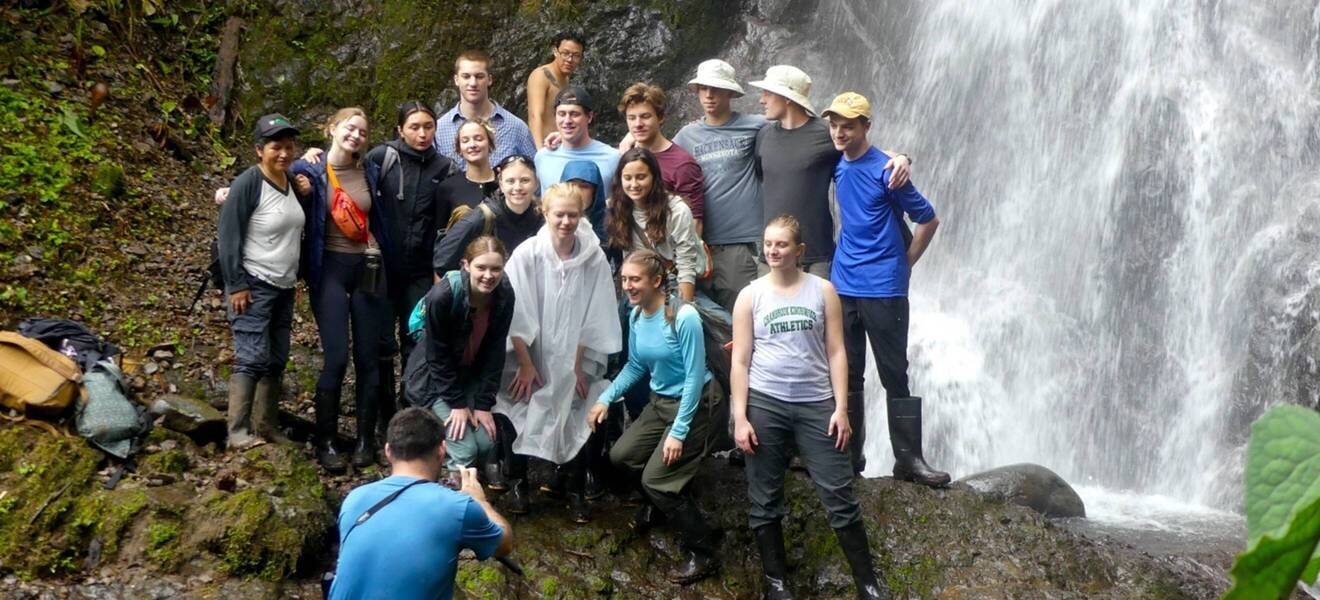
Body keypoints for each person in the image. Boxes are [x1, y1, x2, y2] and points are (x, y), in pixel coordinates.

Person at [731, 215, 887, 599]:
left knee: (839, 493)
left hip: (817, 403)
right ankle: (776, 584)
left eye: (781, 245)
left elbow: (837, 352)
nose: (773, 251)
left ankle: (867, 583)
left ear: (799, 250)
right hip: (766, 402)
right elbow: (740, 360)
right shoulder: (750, 295)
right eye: (768, 244)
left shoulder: (823, 290)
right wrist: (740, 416)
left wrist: (841, 408)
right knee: (764, 497)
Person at [823, 92, 949, 487]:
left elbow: (927, 219)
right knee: (850, 372)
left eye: (849, 125)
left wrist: (905, 262)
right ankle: (850, 456)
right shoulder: (837, 165)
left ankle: (908, 461)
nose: (840, 132)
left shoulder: (888, 172)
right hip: (844, 284)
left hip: (883, 287)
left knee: (894, 373)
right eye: (835, 125)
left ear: (866, 126)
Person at [589, 250, 721, 585]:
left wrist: (678, 432)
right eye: (624, 280)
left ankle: (703, 552)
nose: (628, 286)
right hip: (660, 401)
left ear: (657, 281)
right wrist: (605, 398)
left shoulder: (683, 316)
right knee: (621, 456)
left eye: (635, 280)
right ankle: (659, 503)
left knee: (656, 480)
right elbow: (635, 365)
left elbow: (693, 378)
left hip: (697, 403)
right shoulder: (635, 316)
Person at [494, 184, 621, 521]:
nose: (566, 222)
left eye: (573, 215)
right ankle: (518, 480)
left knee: (576, 404)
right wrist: (524, 363)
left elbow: (593, 314)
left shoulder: (593, 257)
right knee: (517, 402)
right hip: (530, 351)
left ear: (581, 216)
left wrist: (577, 366)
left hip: (573, 351)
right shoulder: (527, 254)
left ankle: (574, 486)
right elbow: (514, 310)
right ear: (545, 214)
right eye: (559, 215)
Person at [291, 108, 394, 473]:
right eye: (349, 128)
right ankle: (327, 441)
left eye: (362, 132)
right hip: (329, 269)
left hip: (368, 270)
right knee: (336, 356)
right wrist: (229, 193)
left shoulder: (372, 170)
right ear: (331, 128)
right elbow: (274, 181)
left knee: (369, 358)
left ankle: (366, 441)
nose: (355, 135)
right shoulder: (310, 170)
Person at [329, 407, 512, 600]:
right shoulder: (457, 507)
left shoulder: (354, 499)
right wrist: (480, 502)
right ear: (442, 450)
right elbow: (505, 544)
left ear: (388, 451)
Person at [750, 65, 911, 278]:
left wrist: (902, 158)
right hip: (771, 256)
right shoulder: (763, 136)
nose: (762, 100)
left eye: (768, 93)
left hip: (816, 257)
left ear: (787, 97)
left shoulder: (828, 132)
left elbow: (868, 156)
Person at [361, 101, 457, 446]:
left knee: (417, 341)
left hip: (422, 270)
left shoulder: (444, 167)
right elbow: (343, 176)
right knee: (382, 343)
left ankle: (414, 414)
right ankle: (384, 419)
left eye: (428, 126)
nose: (421, 133)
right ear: (400, 129)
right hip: (384, 268)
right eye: (414, 126)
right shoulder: (381, 159)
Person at [217, 114, 310, 449]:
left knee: (276, 357)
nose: (283, 153)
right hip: (253, 284)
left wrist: (307, 192)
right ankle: (237, 431)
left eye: (288, 147)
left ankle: (266, 425)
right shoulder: (247, 184)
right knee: (251, 357)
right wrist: (236, 284)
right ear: (259, 150)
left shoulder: (291, 183)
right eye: (275, 147)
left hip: (283, 286)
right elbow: (228, 237)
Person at [405, 236, 515, 472]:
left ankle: (458, 477)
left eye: (496, 268)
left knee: (486, 442)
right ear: (466, 265)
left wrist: (484, 404)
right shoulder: (443, 295)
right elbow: (437, 355)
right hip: (434, 381)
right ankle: (450, 488)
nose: (489, 275)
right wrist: (457, 404)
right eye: (481, 268)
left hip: (470, 376)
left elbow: (496, 350)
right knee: (466, 451)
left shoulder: (504, 293)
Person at [672, 60, 766, 312]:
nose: (709, 95)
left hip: (740, 244)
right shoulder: (686, 135)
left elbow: (795, 127)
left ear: (731, 93)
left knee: (744, 318)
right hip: (698, 244)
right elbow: (655, 155)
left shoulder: (756, 125)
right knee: (707, 324)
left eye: (715, 88)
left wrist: (882, 153)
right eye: (703, 88)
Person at [605, 148, 706, 302]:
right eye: (627, 178)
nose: (634, 184)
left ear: (654, 177)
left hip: (673, 283)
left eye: (641, 177)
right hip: (636, 286)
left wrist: (684, 308)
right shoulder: (616, 208)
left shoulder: (676, 211)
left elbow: (686, 263)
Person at [433, 155, 544, 274]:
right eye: (510, 181)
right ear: (501, 185)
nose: (517, 187)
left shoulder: (544, 216)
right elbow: (442, 260)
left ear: (536, 183)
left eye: (525, 180)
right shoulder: (482, 217)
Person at [618, 82, 704, 232]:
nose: (638, 124)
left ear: (661, 117)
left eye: (645, 116)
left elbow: (694, 222)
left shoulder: (682, 164)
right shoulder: (625, 156)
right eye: (631, 118)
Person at [434, 49, 537, 169]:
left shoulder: (516, 127)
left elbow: (535, 174)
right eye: (466, 76)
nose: (473, 83)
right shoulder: (439, 130)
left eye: (479, 76)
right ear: (456, 80)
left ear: (490, 79)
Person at [533, 85, 620, 197]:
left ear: (589, 117)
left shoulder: (612, 157)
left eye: (574, 114)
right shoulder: (542, 157)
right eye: (562, 114)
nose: (567, 120)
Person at [527, 31, 586, 149]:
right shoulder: (541, 75)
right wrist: (539, 152)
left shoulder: (566, 79)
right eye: (565, 53)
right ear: (555, 51)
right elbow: (535, 115)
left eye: (576, 55)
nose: (570, 59)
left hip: (560, 145)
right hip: (544, 146)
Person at [437, 118, 500, 211]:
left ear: (490, 144)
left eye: (479, 139)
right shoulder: (447, 188)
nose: (472, 145)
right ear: (459, 149)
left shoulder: (505, 182)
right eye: (465, 141)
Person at [559, 160, 608, 244]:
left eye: (584, 186)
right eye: (572, 185)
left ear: (595, 190)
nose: (577, 191)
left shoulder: (611, 223)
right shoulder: (551, 220)